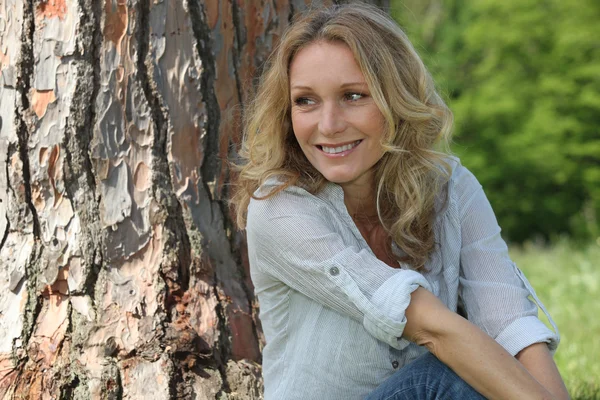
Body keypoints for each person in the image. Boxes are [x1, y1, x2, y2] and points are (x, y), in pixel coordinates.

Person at [232, 3, 570, 400]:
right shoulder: (278, 206)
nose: (328, 125)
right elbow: (433, 328)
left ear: (396, 98)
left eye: (353, 95)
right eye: (306, 101)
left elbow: (511, 323)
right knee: (448, 372)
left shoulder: (450, 188)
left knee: (481, 365)